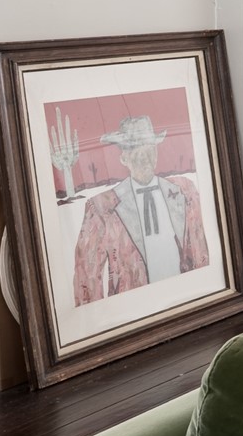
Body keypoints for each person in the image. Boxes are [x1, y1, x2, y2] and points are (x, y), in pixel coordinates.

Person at [70, 116, 208, 303]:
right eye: (135, 150)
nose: (144, 158)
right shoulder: (102, 207)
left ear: (157, 152)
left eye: (149, 148)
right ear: (123, 158)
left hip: (184, 301)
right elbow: (86, 278)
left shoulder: (185, 191)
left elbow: (201, 256)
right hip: (134, 313)